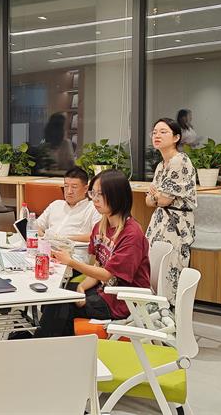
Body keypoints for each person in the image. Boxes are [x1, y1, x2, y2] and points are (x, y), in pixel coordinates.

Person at [32, 170, 150, 337]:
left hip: (122, 301)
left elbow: (107, 274)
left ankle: (43, 343)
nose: (94, 199)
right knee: (57, 293)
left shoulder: (131, 234)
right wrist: (81, 286)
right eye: (93, 193)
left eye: (100, 194)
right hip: (104, 291)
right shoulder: (101, 226)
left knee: (61, 304)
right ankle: (49, 343)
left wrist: (71, 262)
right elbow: (98, 266)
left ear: (117, 196)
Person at [145, 117, 197, 304]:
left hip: (176, 222)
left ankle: (168, 311)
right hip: (160, 219)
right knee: (151, 265)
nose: (157, 135)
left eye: (163, 132)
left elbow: (163, 200)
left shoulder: (179, 161)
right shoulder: (161, 165)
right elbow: (149, 201)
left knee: (169, 268)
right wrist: (157, 197)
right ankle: (155, 309)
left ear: (176, 137)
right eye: (154, 132)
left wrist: (157, 196)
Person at [36, 166, 101, 263]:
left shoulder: (93, 208)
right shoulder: (56, 205)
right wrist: (45, 237)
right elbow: (36, 226)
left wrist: (64, 239)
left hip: (73, 257)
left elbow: (97, 236)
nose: (69, 191)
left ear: (86, 189)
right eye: (66, 186)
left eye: (74, 187)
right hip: (46, 251)